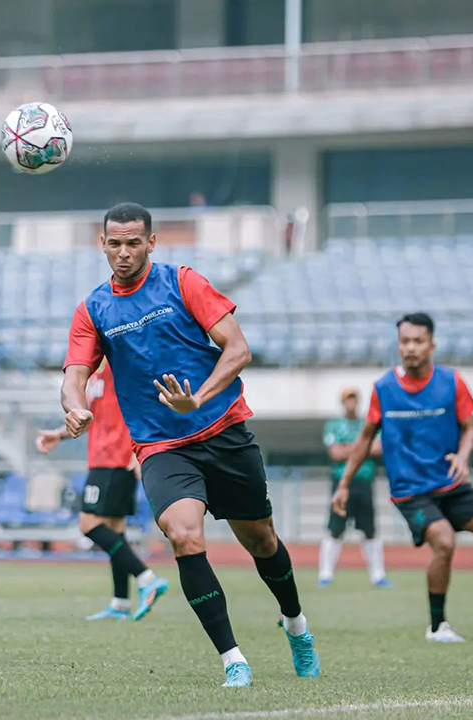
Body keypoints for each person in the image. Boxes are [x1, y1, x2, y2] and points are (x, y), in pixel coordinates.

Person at [61, 202, 319, 688]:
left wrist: (196, 398)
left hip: (224, 432)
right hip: (161, 446)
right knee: (183, 535)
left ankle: (296, 626)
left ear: (151, 243)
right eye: (114, 243)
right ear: (102, 244)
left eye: (133, 242)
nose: (123, 252)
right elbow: (75, 376)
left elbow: (238, 349)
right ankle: (233, 659)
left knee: (261, 540)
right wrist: (73, 407)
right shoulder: (92, 308)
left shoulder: (183, 282)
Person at [332, 313, 473, 644]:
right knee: (444, 541)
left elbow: (470, 429)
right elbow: (363, 440)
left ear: (432, 345)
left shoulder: (452, 382)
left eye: (417, 341)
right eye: (404, 342)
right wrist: (344, 483)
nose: (410, 347)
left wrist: (462, 455)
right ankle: (437, 626)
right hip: (411, 491)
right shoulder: (383, 389)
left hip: (451, 484)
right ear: (398, 346)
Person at [36, 359, 168, 622]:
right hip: (104, 458)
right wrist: (60, 435)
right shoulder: (92, 373)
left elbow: (145, 404)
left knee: (89, 525)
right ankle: (120, 604)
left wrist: (138, 448)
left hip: (114, 459)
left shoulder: (119, 365)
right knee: (115, 531)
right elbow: (90, 419)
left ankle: (147, 578)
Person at [318, 387, 391, 589]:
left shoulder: (367, 423)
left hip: (364, 481)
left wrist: (348, 448)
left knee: (370, 529)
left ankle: (378, 575)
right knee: (335, 528)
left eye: (353, 399)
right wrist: (361, 448)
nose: (351, 403)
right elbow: (335, 453)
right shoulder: (334, 424)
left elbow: (379, 448)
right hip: (340, 482)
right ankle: (325, 575)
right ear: (343, 403)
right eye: (347, 399)